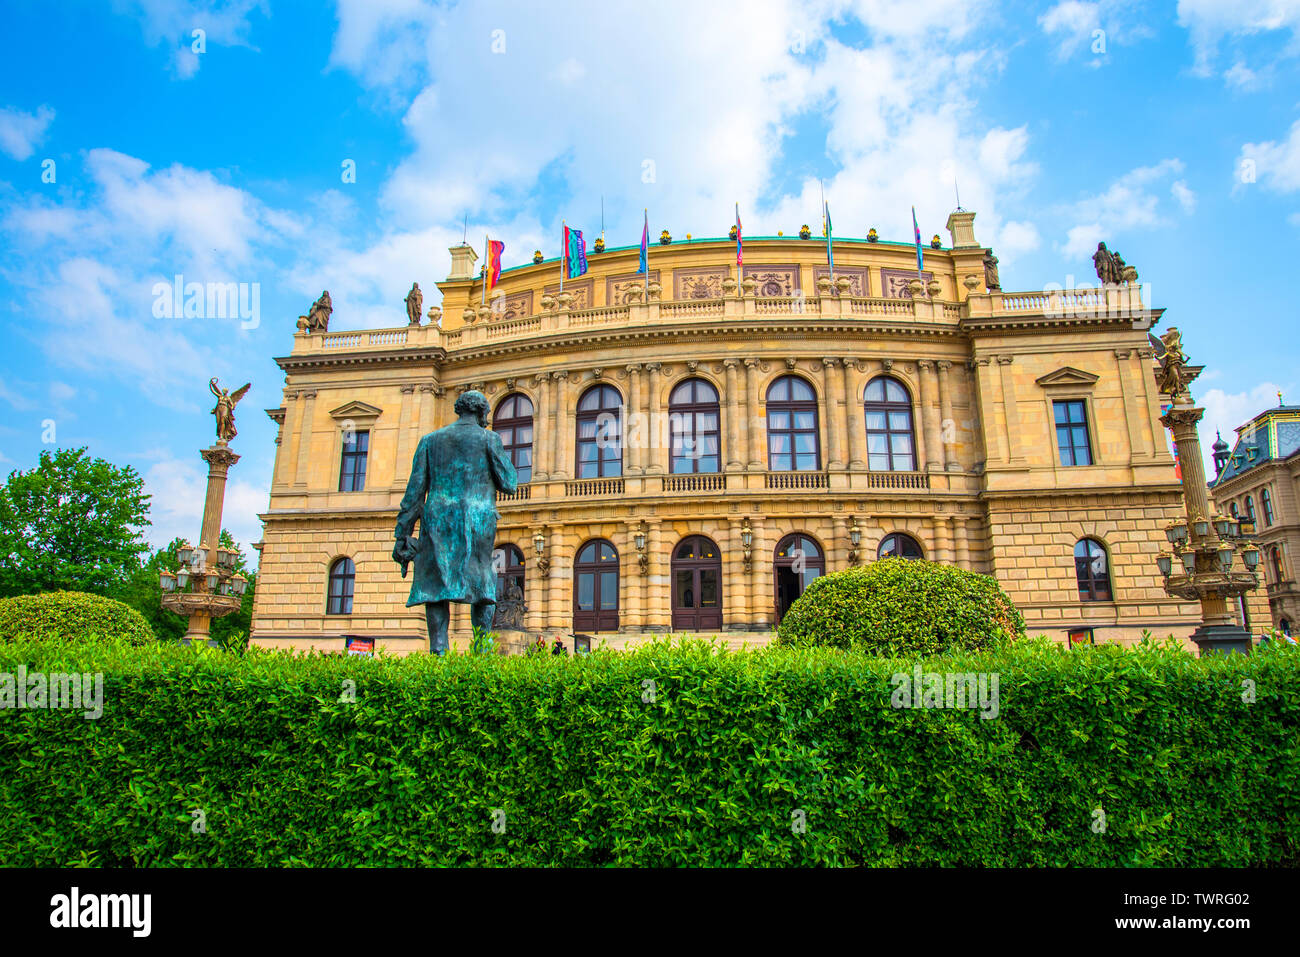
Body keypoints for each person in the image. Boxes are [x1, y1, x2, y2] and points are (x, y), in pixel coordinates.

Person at [393, 390, 517, 654]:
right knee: (483, 583)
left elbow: (413, 495)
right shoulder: (489, 439)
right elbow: (510, 484)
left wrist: (402, 535)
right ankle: (482, 651)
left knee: (435, 586)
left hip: (437, 519)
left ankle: (438, 651)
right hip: (477, 520)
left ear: (459, 410)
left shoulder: (429, 441)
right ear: (483, 413)